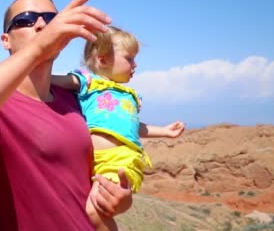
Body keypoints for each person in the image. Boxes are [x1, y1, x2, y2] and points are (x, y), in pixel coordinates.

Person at [0, 0, 133, 230]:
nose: (41, 25)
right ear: (6, 40)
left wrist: (117, 200)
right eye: (25, 20)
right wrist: (38, 49)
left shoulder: (74, 99)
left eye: (51, 19)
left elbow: (85, 183)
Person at [51, 25, 186, 230]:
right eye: (129, 58)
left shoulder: (128, 95)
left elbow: (132, 127)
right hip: (95, 163)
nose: (135, 64)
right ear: (103, 60)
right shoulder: (89, 82)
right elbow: (56, 81)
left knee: (94, 210)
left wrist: (165, 132)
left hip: (120, 161)